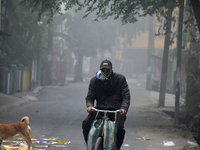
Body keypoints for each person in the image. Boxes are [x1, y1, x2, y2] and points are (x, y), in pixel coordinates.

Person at [82, 59, 131, 150]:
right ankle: (90, 144)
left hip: (116, 111)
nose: (105, 72)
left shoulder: (120, 79)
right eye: (103, 70)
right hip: (99, 110)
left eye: (107, 70)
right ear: (100, 70)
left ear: (111, 70)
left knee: (120, 129)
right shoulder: (94, 81)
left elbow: (126, 96)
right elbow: (90, 97)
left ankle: (117, 146)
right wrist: (89, 106)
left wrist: (124, 108)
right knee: (86, 124)